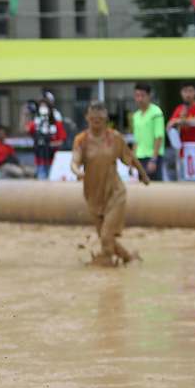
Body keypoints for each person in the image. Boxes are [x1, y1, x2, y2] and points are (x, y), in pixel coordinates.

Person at [70, 101, 150, 267]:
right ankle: (128, 258)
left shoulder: (115, 138)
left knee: (106, 236)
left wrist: (143, 175)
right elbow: (74, 161)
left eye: (100, 118)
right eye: (93, 118)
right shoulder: (81, 140)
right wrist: (77, 172)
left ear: (106, 118)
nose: (96, 121)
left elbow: (131, 158)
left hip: (115, 193)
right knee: (106, 238)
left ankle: (108, 277)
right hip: (93, 194)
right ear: (87, 118)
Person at [26, 90, 65, 180]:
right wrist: (26, 114)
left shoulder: (56, 123)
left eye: (45, 107)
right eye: (41, 107)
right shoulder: (36, 122)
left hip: (54, 160)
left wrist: (50, 144)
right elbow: (27, 130)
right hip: (40, 159)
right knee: (41, 180)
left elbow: (61, 140)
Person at [131, 82, 165, 181]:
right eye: (137, 96)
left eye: (143, 95)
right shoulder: (136, 115)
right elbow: (136, 140)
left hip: (152, 157)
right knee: (142, 189)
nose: (140, 99)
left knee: (155, 189)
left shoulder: (156, 112)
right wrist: (133, 160)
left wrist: (154, 159)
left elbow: (159, 136)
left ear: (149, 96)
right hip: (139, 157)